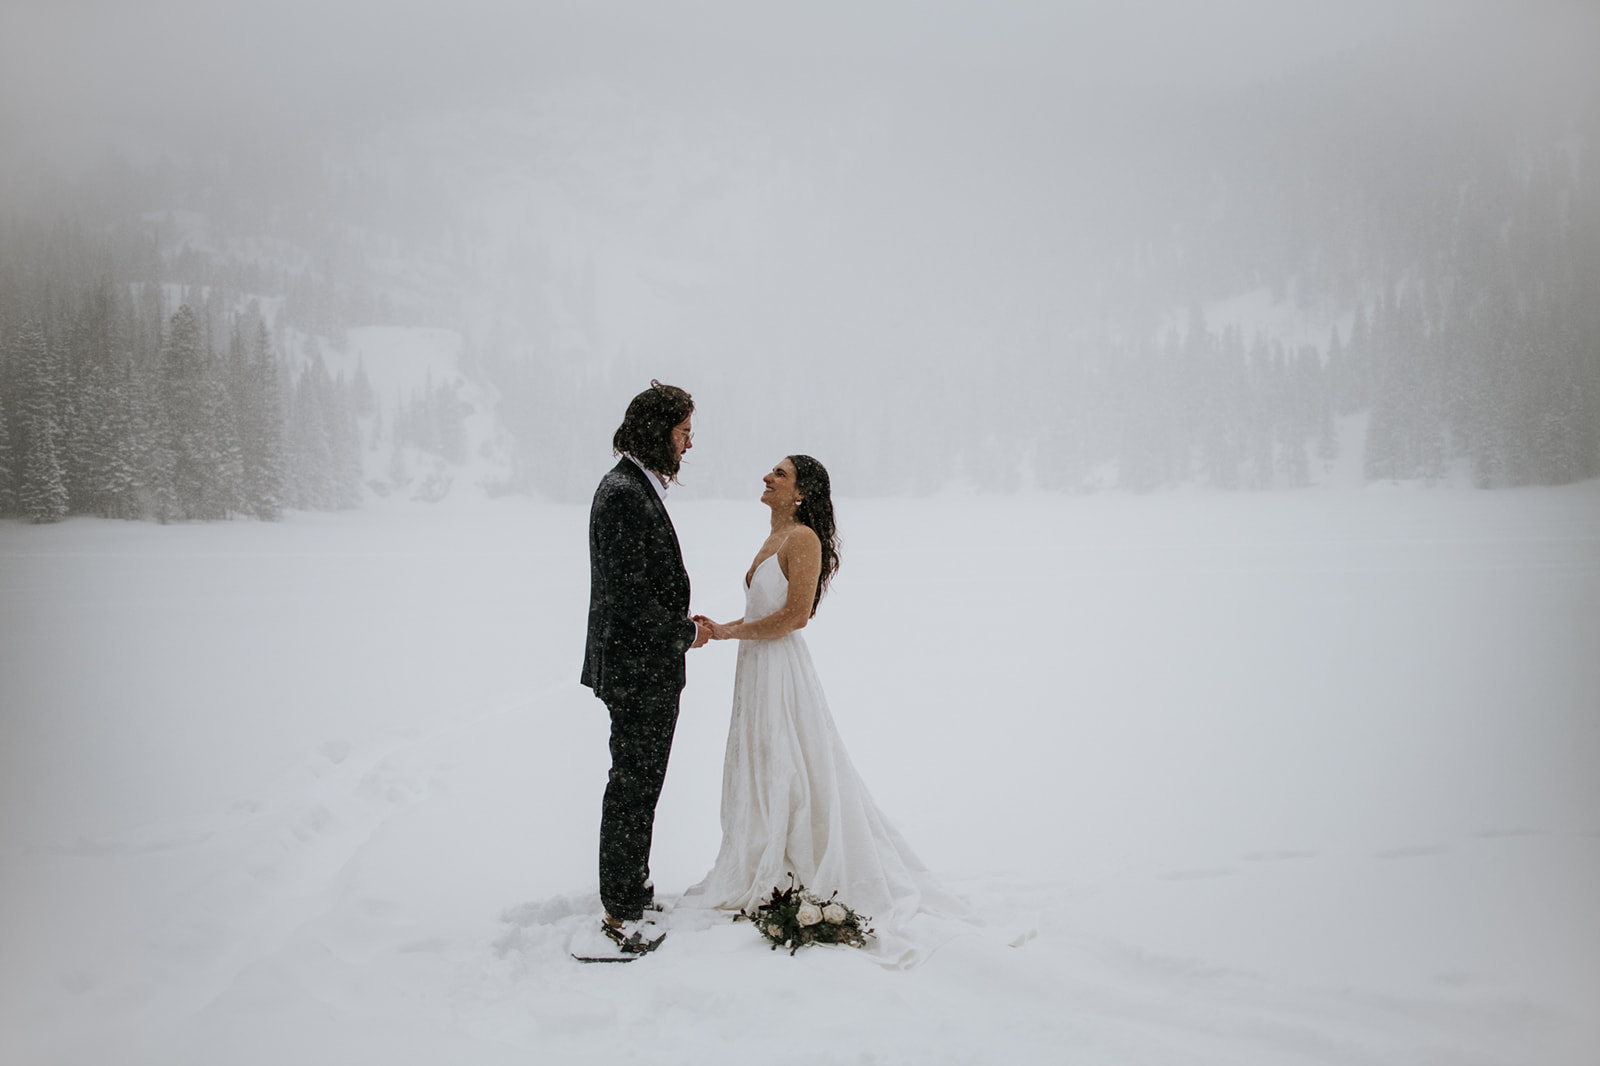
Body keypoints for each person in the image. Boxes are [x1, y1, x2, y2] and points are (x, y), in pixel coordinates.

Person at [682, 455, 957, 951]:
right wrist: (725, 628)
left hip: (780, 667)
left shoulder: (802, 538)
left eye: (780, 474)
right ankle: (757, 852)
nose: (767, 477)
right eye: (771, 471)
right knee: (762, 760)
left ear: (802, 492)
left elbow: (795, 616)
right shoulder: (772, 538)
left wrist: (726, 631)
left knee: (789, 761)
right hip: (755, 666)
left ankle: (793, 862)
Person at [581, 380, 710, 954]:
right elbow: (630, 600)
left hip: (643, 665)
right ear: (659, 432)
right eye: (683, 432)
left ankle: (630, 888)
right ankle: (619, 916)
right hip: (639, 670)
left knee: (639, 784)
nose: (688, 444)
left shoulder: (631, 486)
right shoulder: (624, 494)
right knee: (633, 786)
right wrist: (685, 632)